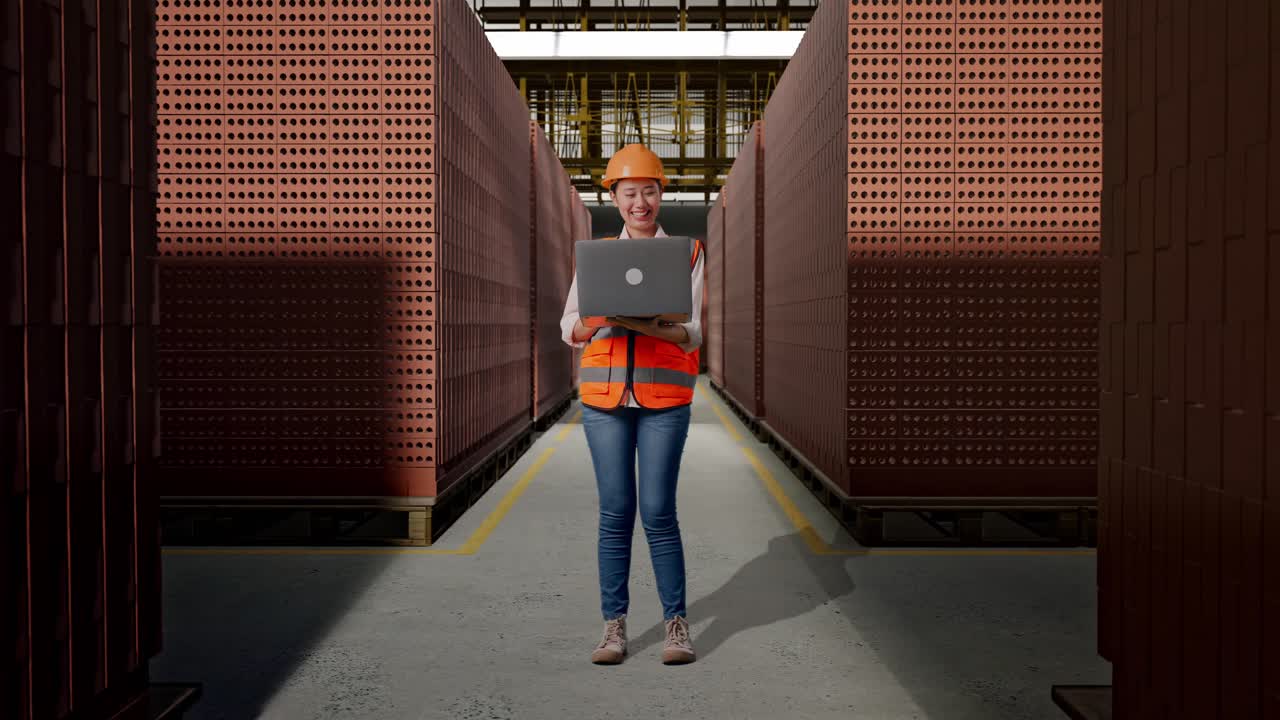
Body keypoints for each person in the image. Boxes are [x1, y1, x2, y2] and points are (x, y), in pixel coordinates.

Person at [559, 144, 704, 666]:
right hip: (604, 399)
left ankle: (675, 626)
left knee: (659, 512)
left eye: (648, 191)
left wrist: (649, 323)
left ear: (661, 194)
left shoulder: (687, 252)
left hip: (665, 399)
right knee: (616, 512)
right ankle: (614, 627)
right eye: (628, 193)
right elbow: (570, 326)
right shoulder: (595, 255)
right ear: (614, 198)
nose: (639, 202)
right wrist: (603, 317)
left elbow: (693, 333)